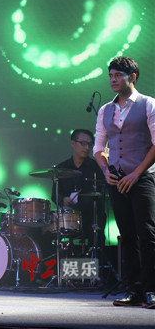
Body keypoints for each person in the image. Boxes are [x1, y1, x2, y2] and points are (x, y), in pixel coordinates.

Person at [94, 57, 155, 309]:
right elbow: (99, 148)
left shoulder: (148, 104)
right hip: (117, 179)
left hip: (142, 177)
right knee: (127, 235)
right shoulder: (105, 110)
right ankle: (135, 290)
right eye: (110, 75)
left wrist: (137, 173)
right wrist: (105, 171)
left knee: (147, 234)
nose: (113, 79)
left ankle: (152, 290)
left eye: (118, 75)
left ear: (133, 77)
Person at [51, 129, 106, 250]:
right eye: (83, 143)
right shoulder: (62, 168)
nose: (87, 148)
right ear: (73, 143)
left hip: (90, 215)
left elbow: (101, 194)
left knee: (97, 229)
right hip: (69, 216)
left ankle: (97, 257)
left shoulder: (96, 168)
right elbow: (54, 195)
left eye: (90, 144)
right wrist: (63, 199)